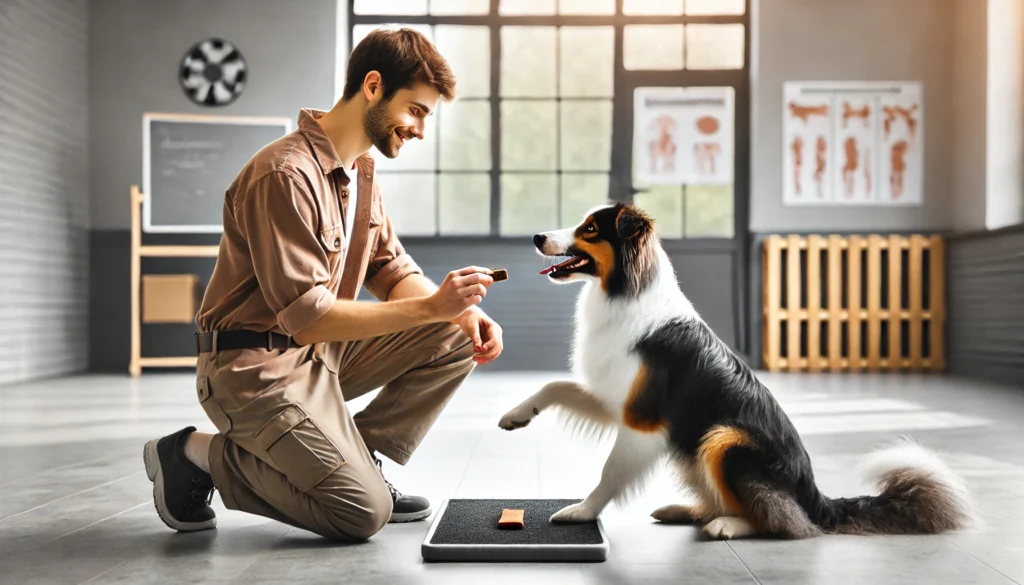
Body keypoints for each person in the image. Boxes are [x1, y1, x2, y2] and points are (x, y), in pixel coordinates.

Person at [141, 27, 504, 542]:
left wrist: (459, 313)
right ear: (373, 86)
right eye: (416, 110)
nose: (421, 129)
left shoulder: (360, 175)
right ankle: (193, 455)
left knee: (454, 334)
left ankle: (359, 456)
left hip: (321, 361)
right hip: (253, 372)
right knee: (361, 514)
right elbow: (309, 318)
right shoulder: (283, 175)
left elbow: (392, 271)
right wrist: (432, 309)